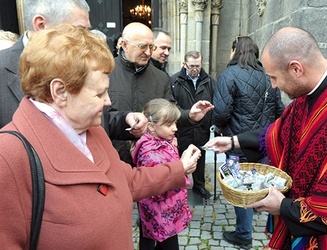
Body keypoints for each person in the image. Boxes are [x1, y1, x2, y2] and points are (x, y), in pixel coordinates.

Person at [0, 24, 202, 249]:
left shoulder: (91, 130)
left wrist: (179, 168)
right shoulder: (9, 157)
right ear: (60, 92)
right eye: (99, 93)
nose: (108, 101)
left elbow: (127, 181)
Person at [204, 26, 327, 249]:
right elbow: (278, 133)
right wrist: (233, 141)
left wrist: (285, 208)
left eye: (274, 77)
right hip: (311, 228)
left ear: (296, 69)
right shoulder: (308, 96)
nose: (273, 85)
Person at [106, 22, 213, 167]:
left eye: (151, 47)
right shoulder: (106, 72)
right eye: (143, 47)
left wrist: (189, 115)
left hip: (152, 161)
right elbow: (99, 118)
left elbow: (169, 111)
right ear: (124, 45)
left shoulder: (161, 77)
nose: (149, 53)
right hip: (114, 159)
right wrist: (126, 120)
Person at [212, 36, 284, 249]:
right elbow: (279, 109)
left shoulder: (229, 74)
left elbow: (221, 113)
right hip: (263, 140)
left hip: (237, 142)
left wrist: (218, 127)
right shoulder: (267, 75)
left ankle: (244, 234)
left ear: (235, 50)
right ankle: (252, 218)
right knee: (255, 179)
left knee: (240, 187)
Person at [0, 0, 91, 128]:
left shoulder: (84, 64)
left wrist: (123, 120)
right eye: (79, 30)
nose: (86, 40)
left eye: (88, 31)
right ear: (41, 25)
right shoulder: (3, 70)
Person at [132, 98, 191, 250]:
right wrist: (183, 170)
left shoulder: (164, 140)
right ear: (151, 127)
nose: (175, 128)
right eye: (169, 124)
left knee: (151, 240)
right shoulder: (150, 153)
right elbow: (159, 186)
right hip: (160, 212)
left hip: (164, 210)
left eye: (175, 123)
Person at [170, 51, 217, 199]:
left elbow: (215, 103)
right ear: (184, 64)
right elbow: (172, 105)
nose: (195, 69)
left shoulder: (209, 81)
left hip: (202, 128)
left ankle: (199, 185)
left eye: (198, 65)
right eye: (191, 66)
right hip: (182, 127)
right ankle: (178, 186)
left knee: (200, 157)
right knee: (179, 157)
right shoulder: (174, 80)